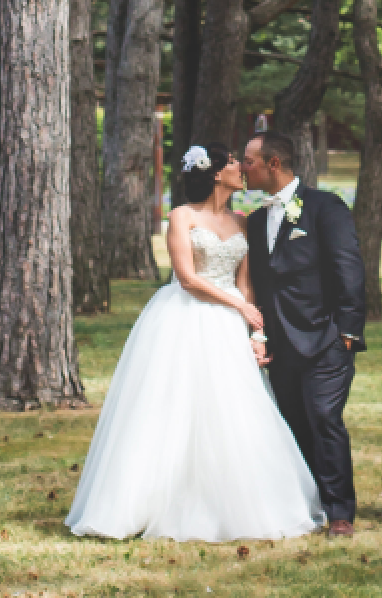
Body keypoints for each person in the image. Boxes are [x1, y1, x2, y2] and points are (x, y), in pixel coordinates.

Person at [66, 142, 324, 542]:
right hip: (184, 316)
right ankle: (145, 503)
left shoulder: (243, 222)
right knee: (170, 407)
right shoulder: (182, 216)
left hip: (229, 322)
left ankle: (237, 503)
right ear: (217, 172)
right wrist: (237, 307)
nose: (242, 167)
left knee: (232, 409)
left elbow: (246, 282)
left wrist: (256, 331)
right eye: (235, 162)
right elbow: (187, 277)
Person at [241, 128, 367, 536]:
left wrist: (346, 333)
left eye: (249, 162)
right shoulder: (257, 221)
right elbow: (258, 282)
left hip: (326, 339)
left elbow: (348, 269)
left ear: (273, 164)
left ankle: (340, 513)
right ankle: (306, 506)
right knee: (293, 424)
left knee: (325, 419)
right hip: (281, 345)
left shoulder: (324, 208)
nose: (243, 169)